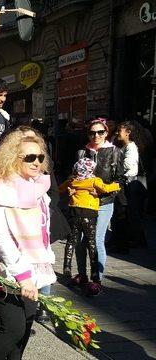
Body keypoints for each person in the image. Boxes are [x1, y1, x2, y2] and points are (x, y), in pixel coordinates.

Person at [0, 133, 56, 360]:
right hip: (4, 268)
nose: (37, 162)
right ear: (13, 159)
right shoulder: (2, 190)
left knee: (28, 320)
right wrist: (23, 276)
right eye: (30, 157)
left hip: (31, 266)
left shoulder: (37, 188)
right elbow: (1, 239)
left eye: (40, 157)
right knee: (12, 329)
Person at [60, 158, 120, 296]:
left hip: (74, 214)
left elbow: (60, 189)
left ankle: (67, 266)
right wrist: (116, 185)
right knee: (92, 244)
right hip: (89, 214)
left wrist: (70, 189)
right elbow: (105, 188)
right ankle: (95, 276)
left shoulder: (72, 180)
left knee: (72, 241)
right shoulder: (94, 180)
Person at [74, 118, 120, 283]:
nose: (96, 136)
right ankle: (82, 274)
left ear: (106, 133)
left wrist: (101, 192)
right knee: (80, 241)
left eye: (100, 132)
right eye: (92, 132)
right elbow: (74, 175)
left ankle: (97, 279)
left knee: (96, 239)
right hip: (83, 203)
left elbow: (119, 181)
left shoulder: (114, 151)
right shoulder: (82, 152)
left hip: (103, 203)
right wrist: (73, 187)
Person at [113, 121, 147, 252]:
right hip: (127, 183)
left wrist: (114, 165)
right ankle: (131, 238)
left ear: (128, 133)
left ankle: (137, 239)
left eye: (120, 130)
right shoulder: (124, 146)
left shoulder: (131, 147)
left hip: (130, 184)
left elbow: (128, 166)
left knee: (131, 213)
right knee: (129, 213)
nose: (117, 133)